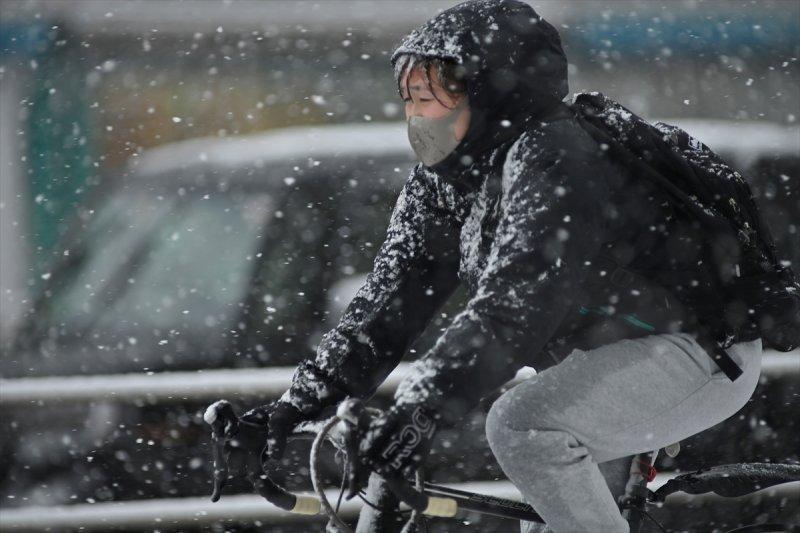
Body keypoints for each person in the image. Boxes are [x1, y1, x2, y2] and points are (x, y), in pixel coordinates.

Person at [232, 1, 773, 531]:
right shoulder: (447, 180)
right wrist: (294, 407)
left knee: (521, 427)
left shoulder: (557, 155)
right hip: (600, 357)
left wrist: (422, 408)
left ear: (494, 91)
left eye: (433, 95)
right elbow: (385, 306)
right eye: (410, 97)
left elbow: (516, 303)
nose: (418, 114)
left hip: (698, 353)